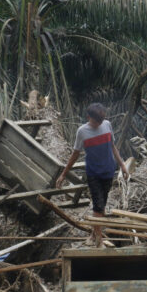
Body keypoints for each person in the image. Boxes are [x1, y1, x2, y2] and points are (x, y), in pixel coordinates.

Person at [56, 103, 129, 245]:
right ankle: (98, 238)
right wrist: (64, 174)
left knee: (102, 205)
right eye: (96, 121)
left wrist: (122, 165)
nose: (99, 124)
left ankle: (94, 233)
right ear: (88, 117)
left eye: (101, 121)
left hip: (108, 170)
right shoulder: (82, 132)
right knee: (98, 204)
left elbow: (113, 147)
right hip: (93, 173)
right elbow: (75, 154)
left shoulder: (107, 125)